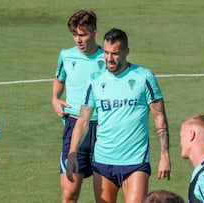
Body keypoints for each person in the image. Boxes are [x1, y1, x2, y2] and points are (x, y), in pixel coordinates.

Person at [66, 28, 171, 203]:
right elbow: (83, 120)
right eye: (106, 52)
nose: (109, 58)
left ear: (126, 52)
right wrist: (72, 154)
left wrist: (165, 156)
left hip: (135, 161)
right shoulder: (95, 80)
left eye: (114, 53)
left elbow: (159, 117)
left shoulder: (144, 77)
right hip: (102, 161)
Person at [51, 10, 105, 203]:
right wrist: (55, 98)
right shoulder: (66, 56)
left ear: (95, 33)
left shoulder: (106, 59)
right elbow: (59, 79)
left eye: (82, 34)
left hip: (103, 128)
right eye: (75, 34)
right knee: (69, 194)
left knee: (104, 198)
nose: (78, 40)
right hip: (74, 126)